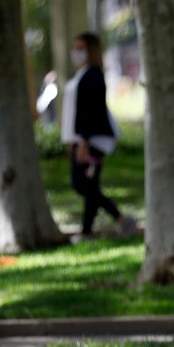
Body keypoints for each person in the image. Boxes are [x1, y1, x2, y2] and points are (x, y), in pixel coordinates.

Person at [60, 32, 136, 241]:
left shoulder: (93, 75)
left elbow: (91, 111)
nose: (77, 52)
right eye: (75, 47)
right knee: (89, 187)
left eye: (81, 48)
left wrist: (83, 140)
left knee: (83, 185)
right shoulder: (81, 74)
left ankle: (121, 220)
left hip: (91, 140)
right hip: (80, 139)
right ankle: (88, 231)